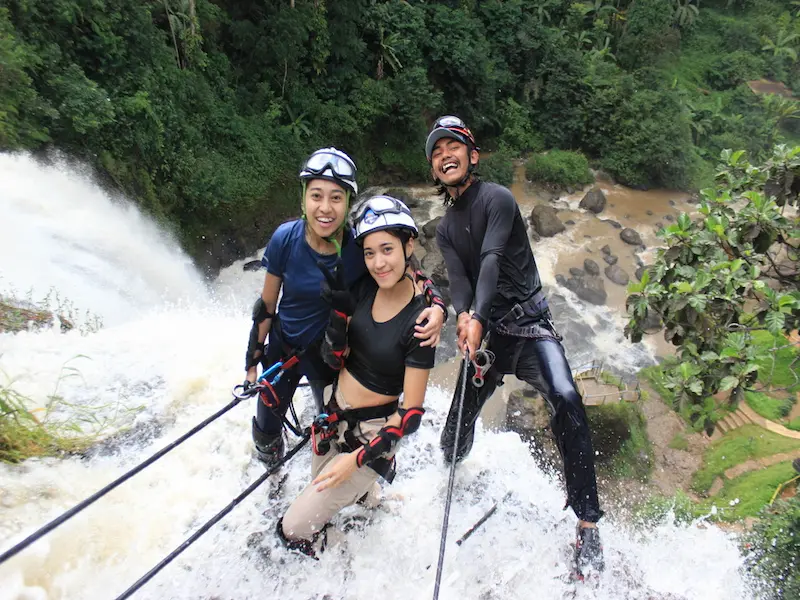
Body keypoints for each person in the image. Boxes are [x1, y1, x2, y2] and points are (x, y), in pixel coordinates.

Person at [424, 116, 605, 577]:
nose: (445, 155)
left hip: (529, 328)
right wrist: (464, 315)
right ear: (434, 168)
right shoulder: (445, 228)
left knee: (566, 397)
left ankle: (587, 523)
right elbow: (460, 281)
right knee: (455, 429)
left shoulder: (498, 199)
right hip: (489, 338)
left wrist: (477, 318)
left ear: (472, 156)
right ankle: (450, 475)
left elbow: (491, 259)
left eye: (453, 147)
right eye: (437, 152)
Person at [244, 148, 447, 468]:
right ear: (304, 199)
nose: (325, 208)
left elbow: (410, 272)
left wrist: (438, 308)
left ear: (348, 202)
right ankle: (273, 472)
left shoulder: (359, 248)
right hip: (283, 347)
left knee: (329, 429)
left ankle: (335, 479)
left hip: (327, 353)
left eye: (336, 198)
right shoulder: (285, 239)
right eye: (316, 196)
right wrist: (252, 362)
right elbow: (266, 307)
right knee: (265, 430)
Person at [276, 195, 434, 556]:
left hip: (371, 438)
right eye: (369, 253)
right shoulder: (365, 288)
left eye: (388, 250)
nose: (378, 263)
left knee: (294, 529)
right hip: (334, 419)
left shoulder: (422, 321)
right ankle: (368, 496)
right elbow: (337, 358)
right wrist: (337, 319)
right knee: (322, 490)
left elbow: (411, 414)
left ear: (409, 246)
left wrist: (356, 460)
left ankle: (346, 557)